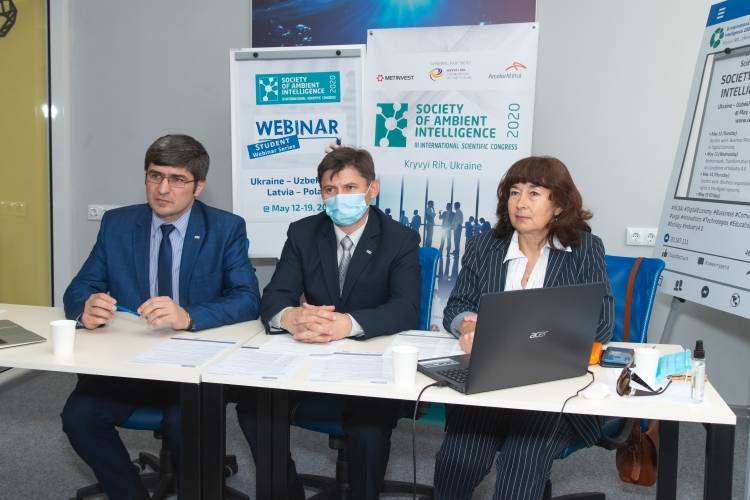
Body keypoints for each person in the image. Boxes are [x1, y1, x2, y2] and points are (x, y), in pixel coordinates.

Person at [60, 134, 261, 500]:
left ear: (199, 186)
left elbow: (248, 299)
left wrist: (189, 315)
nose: (163, 189)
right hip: (128, 362)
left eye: (177, 179)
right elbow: (79, 288)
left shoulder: (225, 228)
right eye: (155, 176)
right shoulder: (118, 224)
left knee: (186, 424)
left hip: (193, 367)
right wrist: (85, 307)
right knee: (80, 417)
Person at [235, 147, 420, 500]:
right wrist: (290, 317)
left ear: (372, 188)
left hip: (370, 360)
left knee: (368, 427)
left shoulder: (400, 239)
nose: (339, 198)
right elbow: (275, 295)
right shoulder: (303, 232)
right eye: (330, 190)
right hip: (310, 355)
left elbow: (405, 308)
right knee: (254, 408)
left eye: (350, 188)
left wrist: (347, 324)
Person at [434, 156, 614, 500]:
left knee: (522, 458)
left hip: (555, 388)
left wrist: (529, 338)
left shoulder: (585, 249)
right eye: (514, 192)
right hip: (490, 382)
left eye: (534, 193)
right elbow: (455, 308)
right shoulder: (484, 246)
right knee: (459, 458)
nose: (520, 203)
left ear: (558, 205)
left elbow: (601, 323)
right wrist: (468, 326)